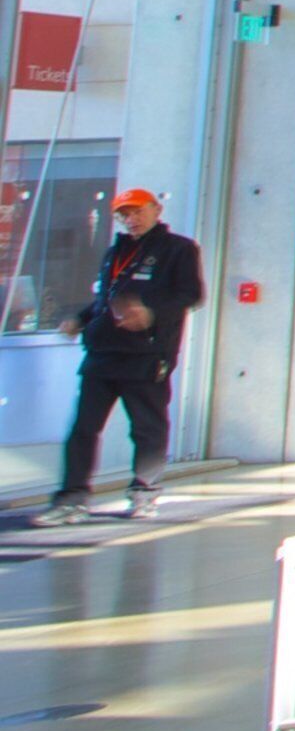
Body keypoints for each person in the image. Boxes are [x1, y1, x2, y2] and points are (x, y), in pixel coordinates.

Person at [41, 187, 203, 522]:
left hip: (146, 354)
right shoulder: (116, 252)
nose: (131, 219)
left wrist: (150, 312)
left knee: (146, 427)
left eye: (137, 211)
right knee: (83, 428)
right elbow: (106, 300)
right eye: (124, 214)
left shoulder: (178, 249)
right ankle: (71, 499)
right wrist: (81, 319)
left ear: (156, 210)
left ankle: (144, 493)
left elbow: (191, 294)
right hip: (102, 353)